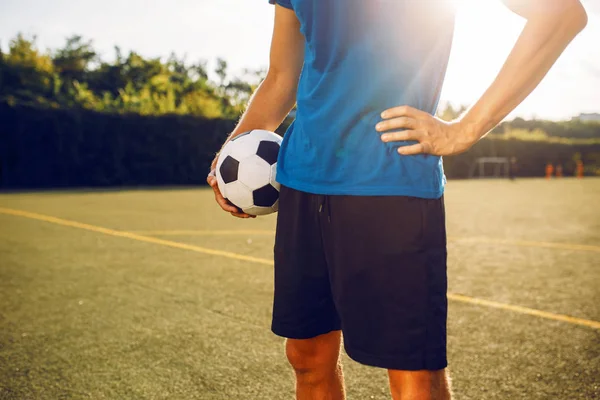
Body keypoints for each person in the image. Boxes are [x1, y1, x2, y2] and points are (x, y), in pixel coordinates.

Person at [207, 1, 587, 398]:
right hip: (302, 181)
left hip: (390, 183)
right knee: (307, 357)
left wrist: (464, 130)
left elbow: (560, 14)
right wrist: (230, 155)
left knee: (413, 376)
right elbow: (282, 74)